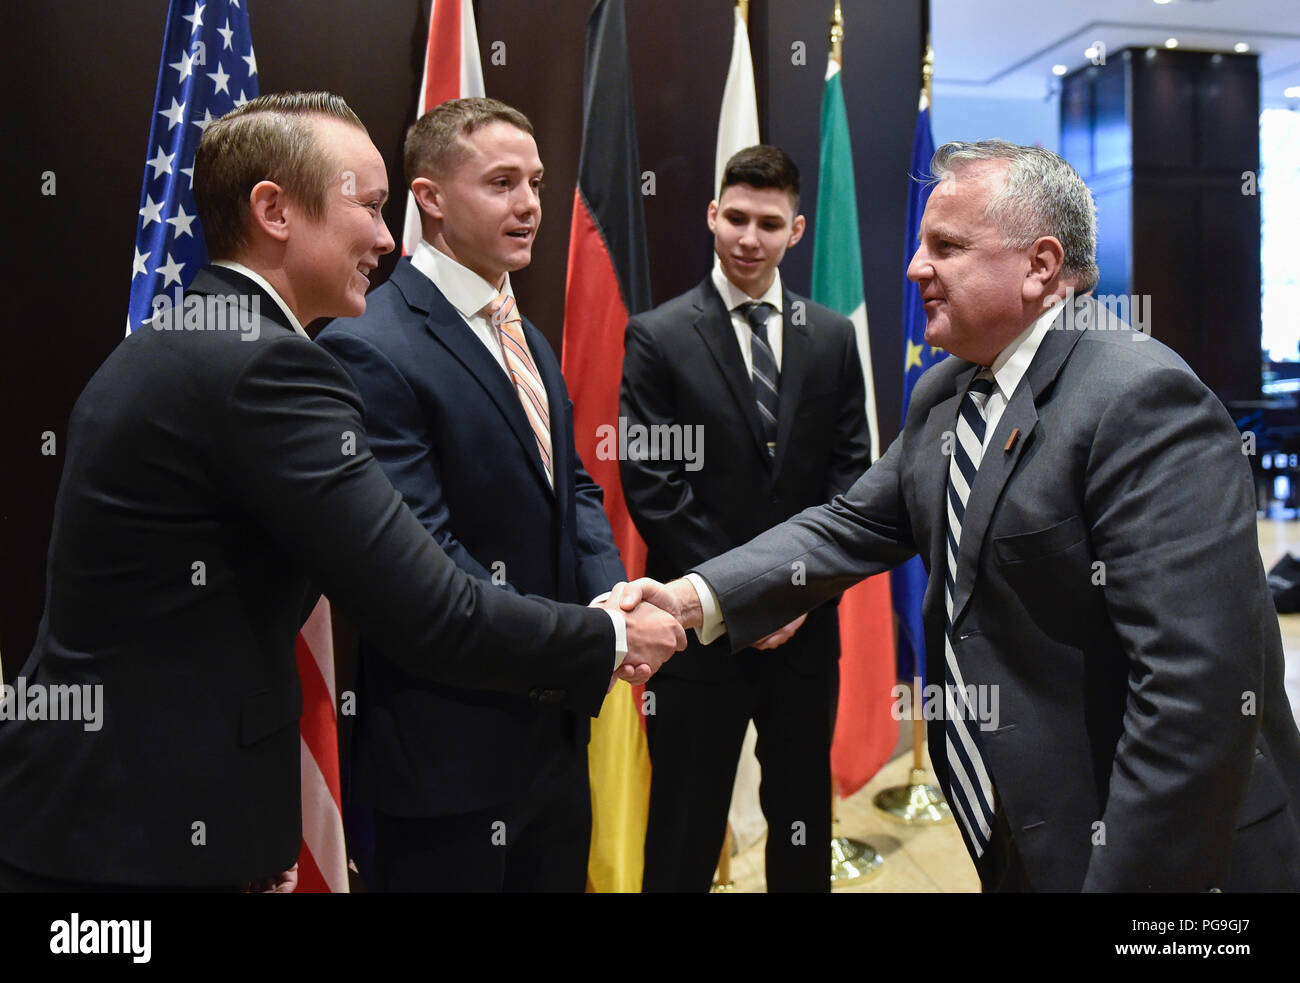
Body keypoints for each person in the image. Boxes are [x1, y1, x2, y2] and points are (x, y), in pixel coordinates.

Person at [0, 92, 683, 893]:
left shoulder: (187, 341)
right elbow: (426, 603)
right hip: (142, 835)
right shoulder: (268, 368)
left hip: (99, 814)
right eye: (371, 205)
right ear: (274, 210)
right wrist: (605, 639)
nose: (388, 238)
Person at [659, 140, 1300, 892]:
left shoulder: (1143, 400)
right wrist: (687, 599)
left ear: (1040, 265)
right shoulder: (946, 393)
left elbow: (1194, 695)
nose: (914, 268)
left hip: (1152, 851)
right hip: (1019, 827)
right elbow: (846, 526)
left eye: (947, 247)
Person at [317, 98, 627, 892]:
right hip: (448, 759)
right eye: (501, 182)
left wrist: (615, 601)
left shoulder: (521, 326)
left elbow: (575, 486)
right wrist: (595, 637)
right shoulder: (370, 344)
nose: (530, 204)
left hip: (554, 737)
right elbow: (424, 560)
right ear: (430, 197)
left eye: (537, 182)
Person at [620, 145, 871, 892]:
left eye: (769, 222)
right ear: (711, 215)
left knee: (801, 822)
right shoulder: (658, 336)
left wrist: (792, 592)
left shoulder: (832, 336)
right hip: (694, 634)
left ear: (796, 229)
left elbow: (852, 479)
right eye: (735, 217)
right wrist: (740, 597)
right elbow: (654, 484)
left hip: (804, 630)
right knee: (684, 830)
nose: (748, 237)